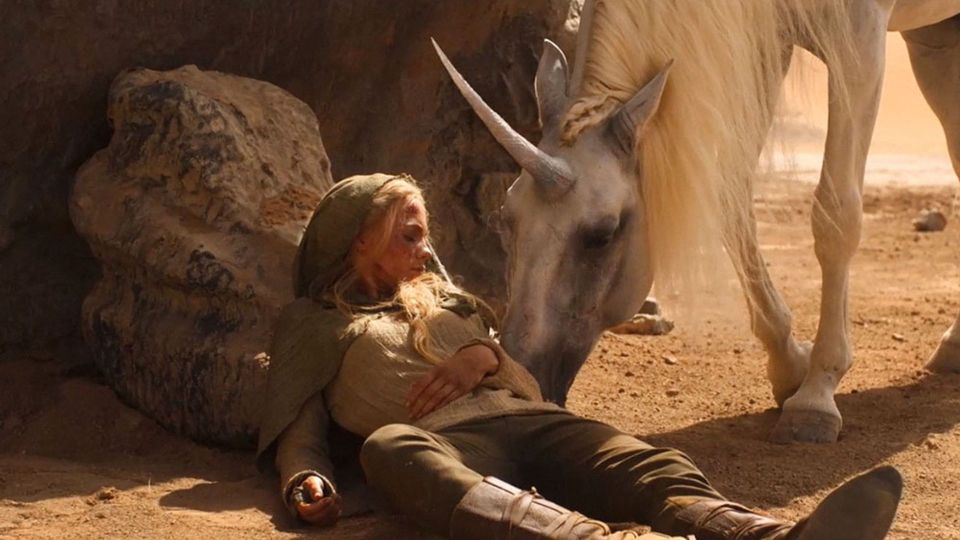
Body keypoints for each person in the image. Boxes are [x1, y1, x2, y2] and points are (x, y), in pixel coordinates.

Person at [257, 173, 903, 540]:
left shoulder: (451, 304)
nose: (425, 251)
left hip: (529, 420)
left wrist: (483, 357)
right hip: (443, 442)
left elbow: (523, 378)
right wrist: (302, 480)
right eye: (410, 234)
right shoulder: (314, 325)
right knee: (389, 448)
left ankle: (770, 537)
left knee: (646, 462)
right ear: (358, 240)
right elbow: (300, 430)